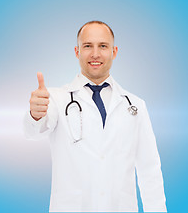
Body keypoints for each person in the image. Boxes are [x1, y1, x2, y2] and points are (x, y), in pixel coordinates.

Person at [23, 20, 167, 212]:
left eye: (103, 46)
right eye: (88, 46)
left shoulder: (135, 106)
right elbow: (33, 132)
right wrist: (35, 114)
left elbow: (149, 170)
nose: (95, 54)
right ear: (77, 52)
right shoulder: (56, 99)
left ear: (114, 52)